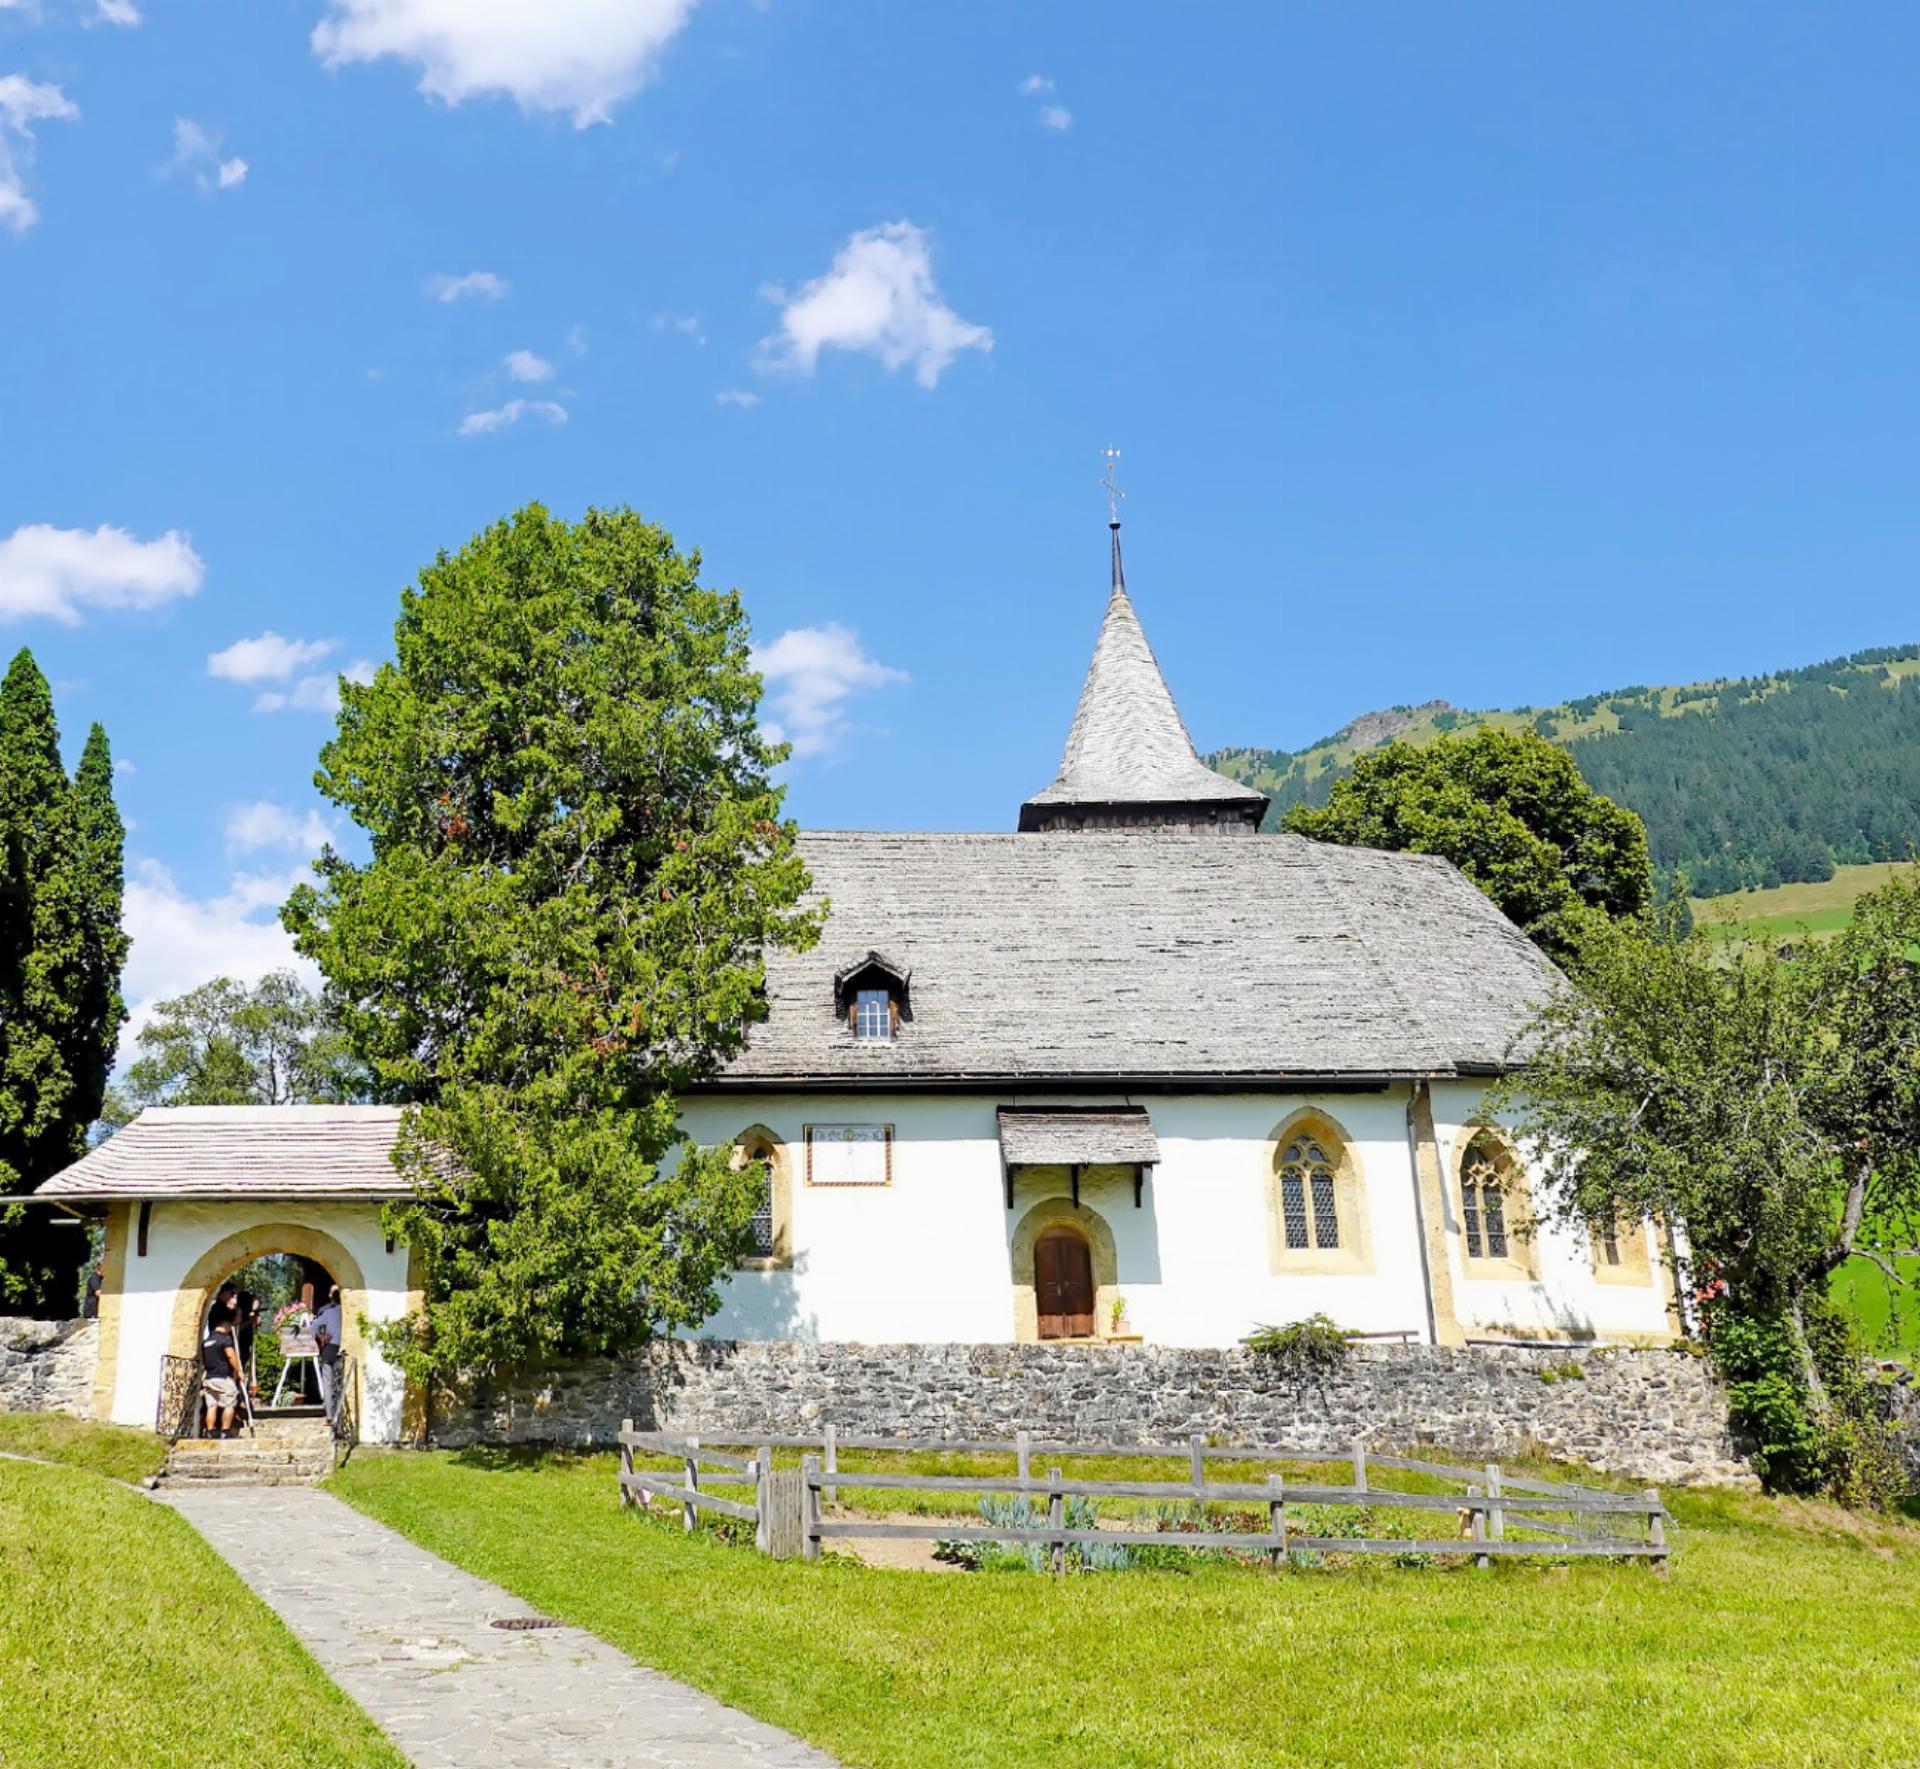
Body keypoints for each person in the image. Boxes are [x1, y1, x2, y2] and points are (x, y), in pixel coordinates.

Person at [200, 1300, 244, 1438]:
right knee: (229, 1403)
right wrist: (239, 1371)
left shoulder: (207, 1341)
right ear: (226, 1324)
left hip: (209, 1378)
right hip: (223, 1377)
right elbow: (230, 1355)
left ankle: (210, 1430)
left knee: (212, 1405)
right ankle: (225, 1431)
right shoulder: (224, 1339)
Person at [312, 1283, 343, 1421]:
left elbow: (313, 1327)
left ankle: (330, 1414)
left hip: (330, 1347)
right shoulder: (349, 1312)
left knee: (328, 1381)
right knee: (342, 1381)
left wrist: (321, 1336)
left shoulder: (329, 1312)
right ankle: (341, 1414)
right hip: (344, 1348)